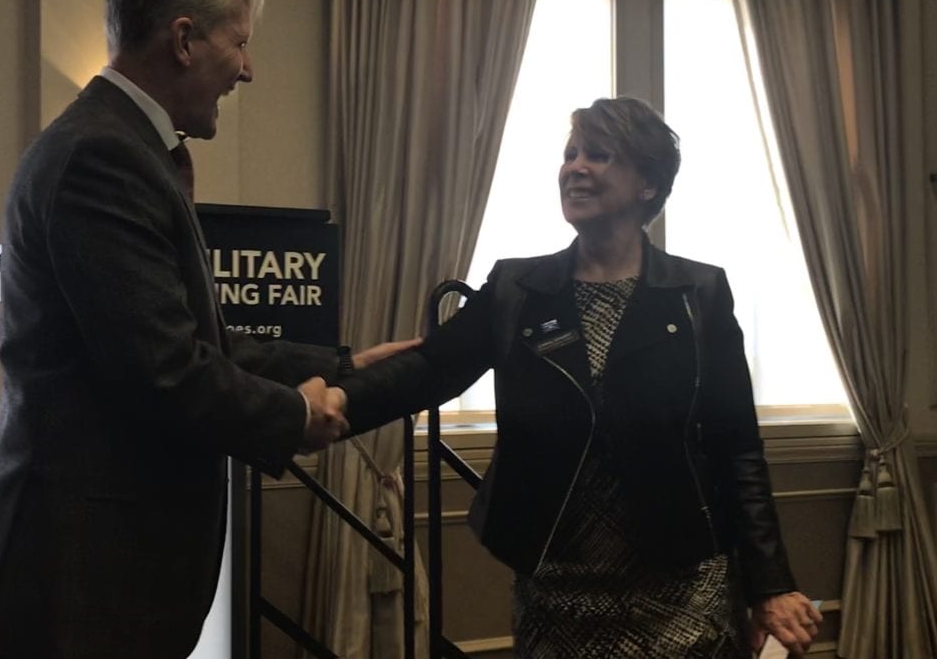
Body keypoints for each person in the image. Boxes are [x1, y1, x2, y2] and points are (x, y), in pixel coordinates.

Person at [0, 0, 412, 659]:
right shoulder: (100, 157)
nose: (249, 68)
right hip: (80, 581)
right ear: (183, 39)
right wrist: (297, 414)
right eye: (240, 43)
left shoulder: (127, 148)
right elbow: (164, 368)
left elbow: (203, 342)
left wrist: (343, 360)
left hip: (102, 576)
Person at [329, 97, 824, 657]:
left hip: (681, 586)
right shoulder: (516, 288)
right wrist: (329, 401)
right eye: (570, 154)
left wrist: (771, 583)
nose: (575, 167)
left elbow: (738, 447)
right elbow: (427, 371)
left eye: (599, 154)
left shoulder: (699, 295)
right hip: (555, 590)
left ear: (647, 185)